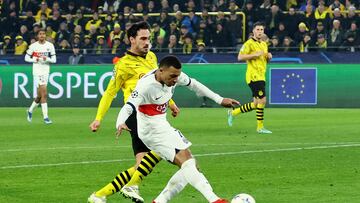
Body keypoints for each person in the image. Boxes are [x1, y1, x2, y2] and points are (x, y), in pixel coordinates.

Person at [116, 55, 239, 203]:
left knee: (191, 165)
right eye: (172, 76)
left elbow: (194, 84)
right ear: (161, 71)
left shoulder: (175, 75)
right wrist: (120, 122)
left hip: (163, 126)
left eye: (177, 76)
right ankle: (215, 200)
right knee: (187, 163)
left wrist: (220, 100)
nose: (175, 80)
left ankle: (160, 201)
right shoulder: (145, 85)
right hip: (150, 131)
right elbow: (129, 106)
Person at [88, 21, 179, 203]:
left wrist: (171, 102)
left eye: (149, 39)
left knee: (142, 164)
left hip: (154, 114)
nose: (147, 42)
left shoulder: (152, 57)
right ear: (132, 40)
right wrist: (98, 118)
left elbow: (157, 85)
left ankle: (99, 195)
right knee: (161, 151)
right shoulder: (123, 65)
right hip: (136, 115)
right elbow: (110, 92)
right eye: (143, 39)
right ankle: (128, 188)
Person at [227, 22, 272, 134]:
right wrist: (253, 55)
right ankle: (260, 127)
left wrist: (269, 57)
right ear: (253, 31)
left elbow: (264, 59)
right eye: (258, 29)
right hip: (253, 76)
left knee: (256, 104)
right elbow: (240, 57)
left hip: (261, 75)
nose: (260, 31)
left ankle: (233, 113)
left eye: (262, 29)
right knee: (263, 100)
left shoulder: (264, 44)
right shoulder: (249, 44)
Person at [25, 29, 56, 124]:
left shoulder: (50, 46)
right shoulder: (33, 46)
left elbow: (54, 60)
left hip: (46, 71)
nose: (42, 35)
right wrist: (35, 59)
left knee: (39, 96)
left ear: (45, 36)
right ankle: (46, 117)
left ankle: (30, 111)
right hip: (37, 72)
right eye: (40, 34)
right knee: (44, 94)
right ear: (37, 36)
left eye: (43, 34)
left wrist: (46, 59)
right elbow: (26, 58)